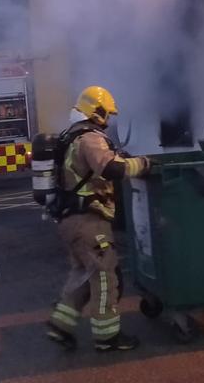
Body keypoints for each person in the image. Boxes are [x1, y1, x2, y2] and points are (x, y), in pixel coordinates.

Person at [46, 85, 150, 352]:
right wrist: (144, 164)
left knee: (83, 273)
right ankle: (107, 337)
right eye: (108, 114)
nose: (109, 120)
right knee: (105, 276)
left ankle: (60, 326)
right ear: (98, 111)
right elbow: (111, 168)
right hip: (89, 221)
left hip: (70, 221)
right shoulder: (90, 138)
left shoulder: (69, 136)